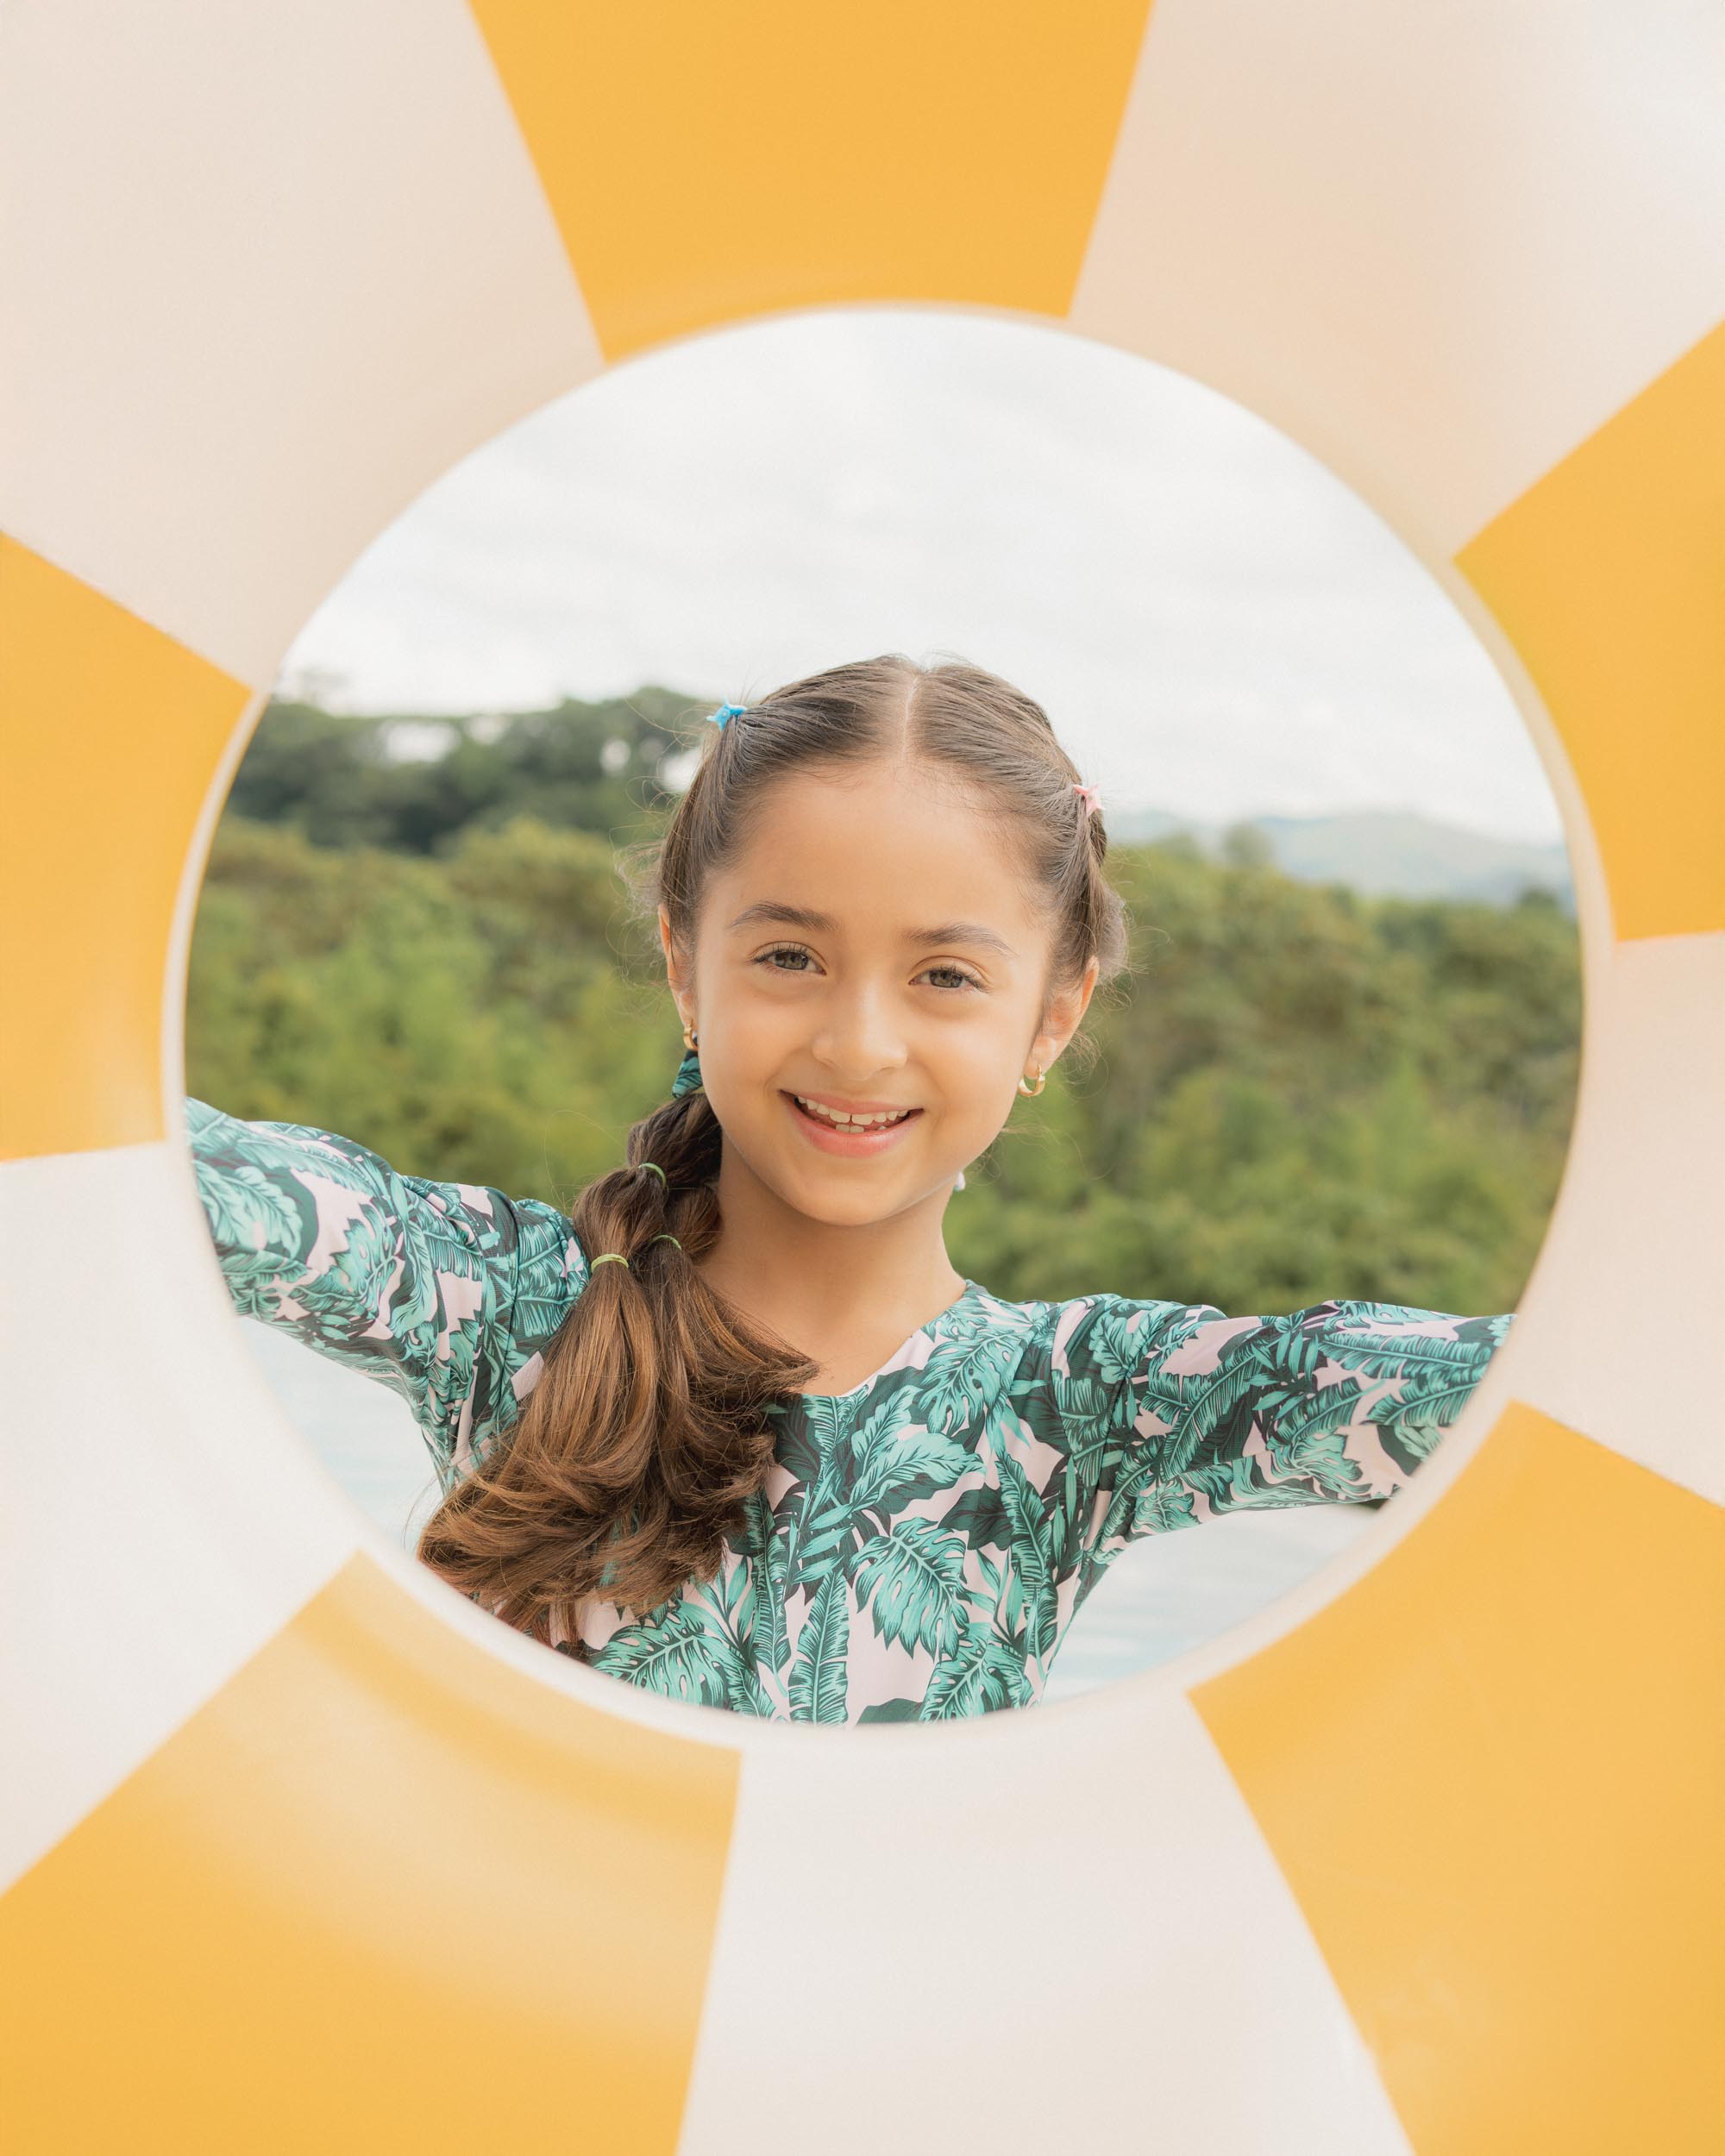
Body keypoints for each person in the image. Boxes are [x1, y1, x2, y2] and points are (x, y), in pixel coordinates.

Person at [185, 653, 1511, 1721]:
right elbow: (156, 1165)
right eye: (790, 957)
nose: (861, 1044)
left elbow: (1513, 1390)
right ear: (684, 966)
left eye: (945, 976)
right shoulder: (501, 1304)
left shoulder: (1083, 1406)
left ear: (1052, 1017)